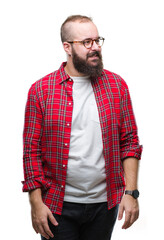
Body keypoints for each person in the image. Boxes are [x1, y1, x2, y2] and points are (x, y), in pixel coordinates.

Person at [22, 15, 142, 240]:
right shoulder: (42, 90)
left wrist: (131, 192)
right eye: (87, 42)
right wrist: (35, 204)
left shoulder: (117, 86)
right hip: (58, 205)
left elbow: (129, 142)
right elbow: (31, 152)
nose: (95, 47)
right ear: (67, 47)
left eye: (98, 40)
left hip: (104, 205)